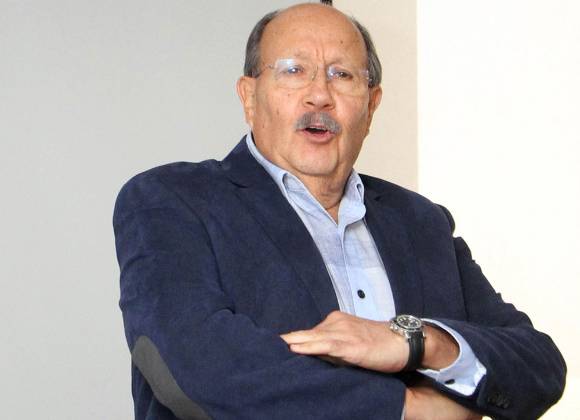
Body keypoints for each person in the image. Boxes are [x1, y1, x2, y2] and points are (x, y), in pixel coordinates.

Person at [113, 3, 566, 419]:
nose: (319, 96)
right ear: (249, 97)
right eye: (294, 71)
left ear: (371, 105)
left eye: (342, 75)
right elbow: (198, 366)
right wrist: (407, 409)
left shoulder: (421, 222)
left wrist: (418, 341)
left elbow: (538, 365)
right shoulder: (172, 201)